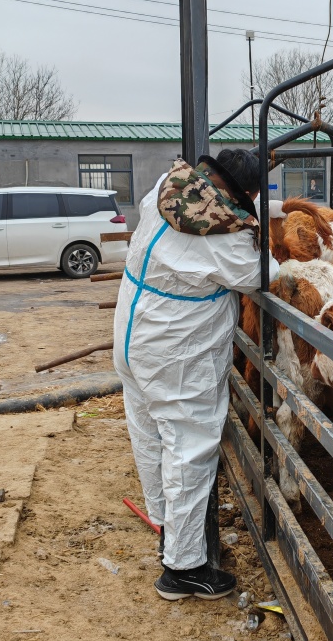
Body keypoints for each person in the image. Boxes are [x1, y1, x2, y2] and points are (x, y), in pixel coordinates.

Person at [114, 148, 281, 601]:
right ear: (244, 193)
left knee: (149, 434)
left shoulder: (163, 192)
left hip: (133, 334)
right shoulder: (225, 239)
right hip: (176, 352)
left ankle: (167, 527)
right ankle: (183, 569)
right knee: (189, 448)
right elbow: (265, 274)